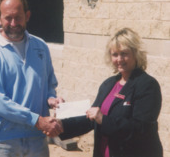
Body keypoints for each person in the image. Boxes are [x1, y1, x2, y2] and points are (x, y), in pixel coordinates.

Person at [0, 0, 63, 157]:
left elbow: (49, 84)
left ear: (27, 16)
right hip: (3, 143)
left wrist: (51, 99)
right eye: (8, 18)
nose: (14, 23)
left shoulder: (40, 47)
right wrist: (37, 121)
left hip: (38, 140)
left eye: (18, 17)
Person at [59, 28, 163, 157]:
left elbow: (141, 128)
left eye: (124, 53)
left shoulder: (147, 85)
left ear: (136, 54)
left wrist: (104, 120)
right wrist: (61, 126)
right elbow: (92, 118)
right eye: (115, 54)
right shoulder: (108, 84)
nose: (119, 59)